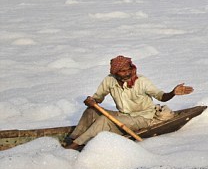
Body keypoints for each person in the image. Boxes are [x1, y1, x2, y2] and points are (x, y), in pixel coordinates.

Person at [64, 55, 194, 150]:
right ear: (115, 73)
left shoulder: (142, 81)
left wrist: (172, 93)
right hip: (125, 116)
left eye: (128, 70)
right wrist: (91, 101)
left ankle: (77, 145)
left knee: (105, 120)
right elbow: (98, 98)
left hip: (144, 118)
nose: (127, 73)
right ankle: (74, 138)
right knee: (91, 111)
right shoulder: (109, 80)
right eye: (122, 71)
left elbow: (161, 96)